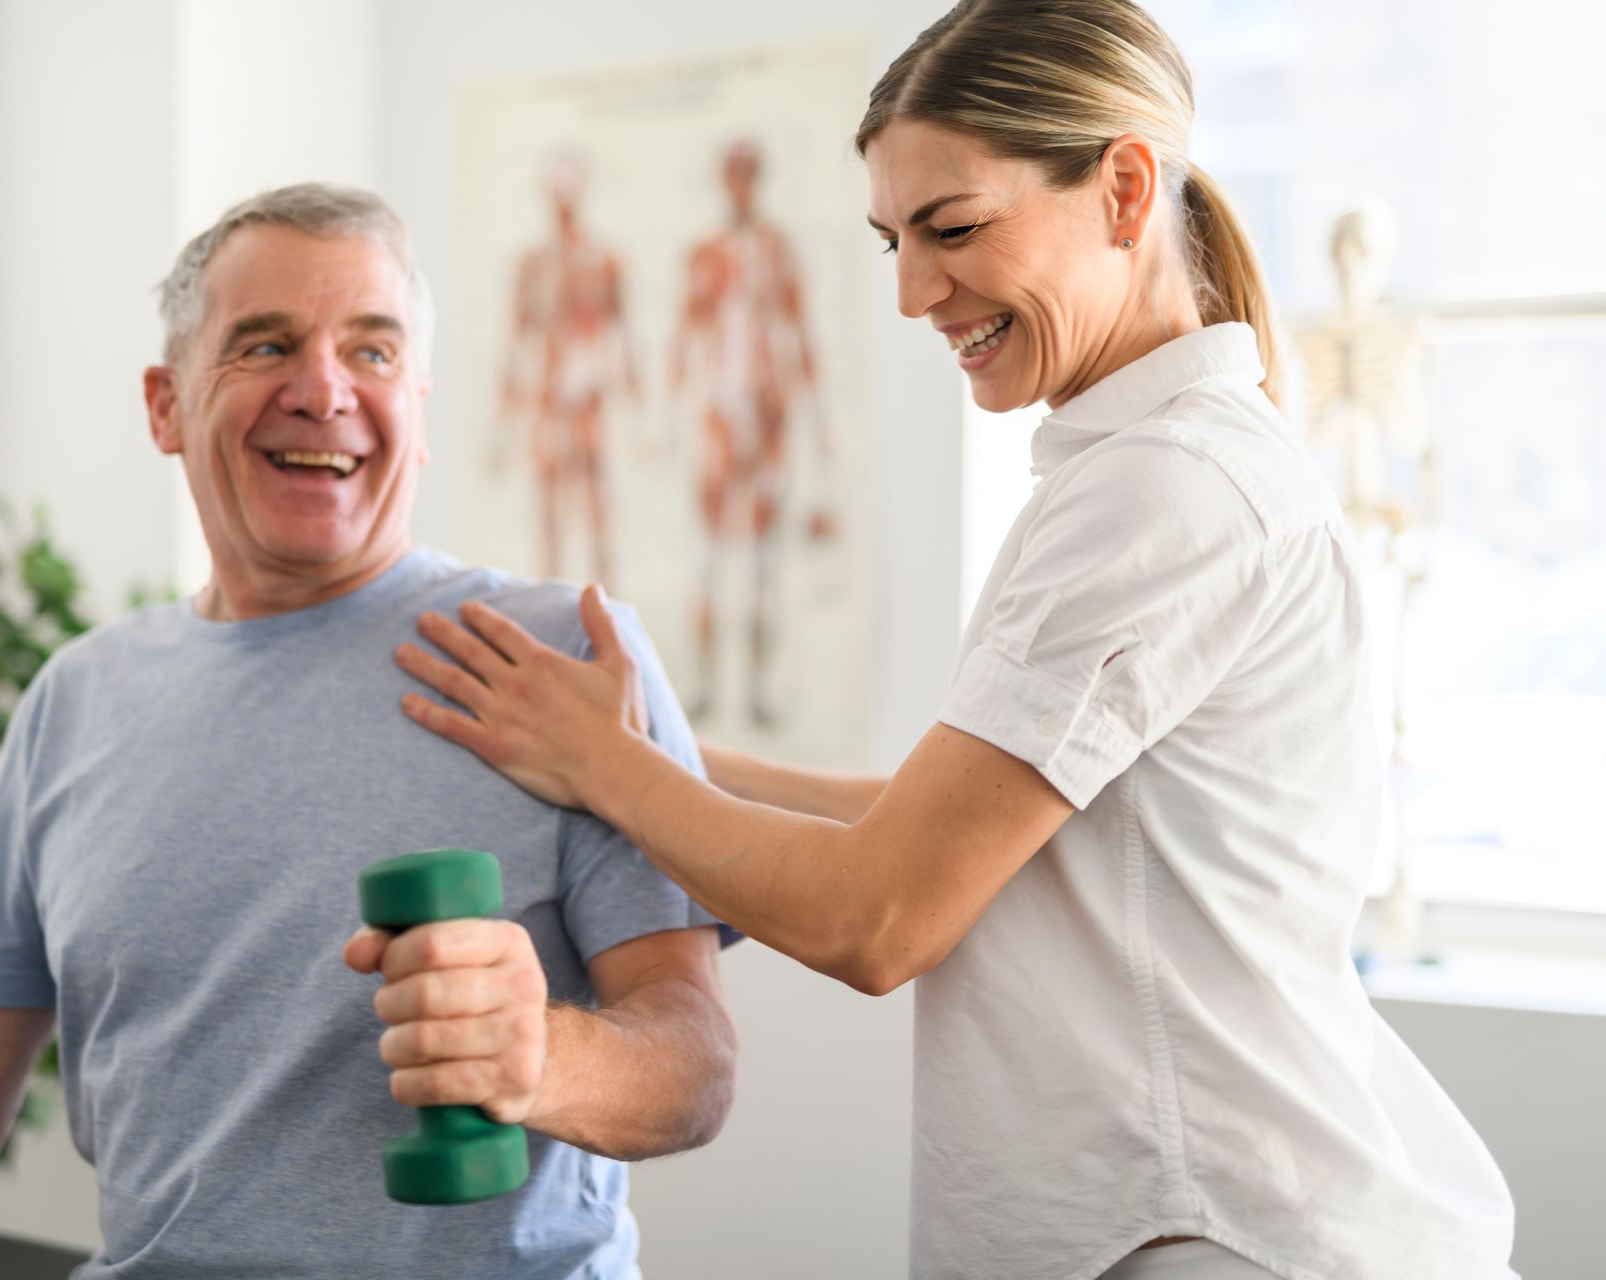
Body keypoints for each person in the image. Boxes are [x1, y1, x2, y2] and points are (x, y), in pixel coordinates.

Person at [391, 3, 1517, 1278]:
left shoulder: (1166, 490)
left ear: (1126, 187)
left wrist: (611, 770)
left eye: (955, 228)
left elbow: (882, 913)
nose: (916, 291)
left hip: (1206, 1230)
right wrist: (666, 748)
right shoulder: (1136, 467)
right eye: (892, 240)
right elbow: (978, 833)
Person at [0, 184, 735, 1280]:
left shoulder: (564, 654)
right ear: (165, 407)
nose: (324, 389)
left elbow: (694, 1063)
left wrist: (544, 1057)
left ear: (416, 406)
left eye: (372, 352)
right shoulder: (78, 697)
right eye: (266, 343)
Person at [669, 139, 834, 728]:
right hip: (718, 418)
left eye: (748, 175)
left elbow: (801, 334)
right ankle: (706, 686)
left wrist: (818, 427)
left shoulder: (778, 251)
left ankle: (760, 689)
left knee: (765, 559)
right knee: (710, 557)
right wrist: (669, 420)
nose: (740, 185)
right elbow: (685, 336)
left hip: (768, 418)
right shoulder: (705, 255)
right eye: (731, 174)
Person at [496, 150, 639, 585]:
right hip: (547, 397)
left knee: (596, 504)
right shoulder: (532, 264)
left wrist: (639, 415)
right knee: (549, 509)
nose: (563, 198)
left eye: (570, 187)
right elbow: (516, 343)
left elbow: (622, 337)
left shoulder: (603, 260)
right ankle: (553, 602)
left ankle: (606, 604)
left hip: (587, 396)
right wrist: (502, 421)